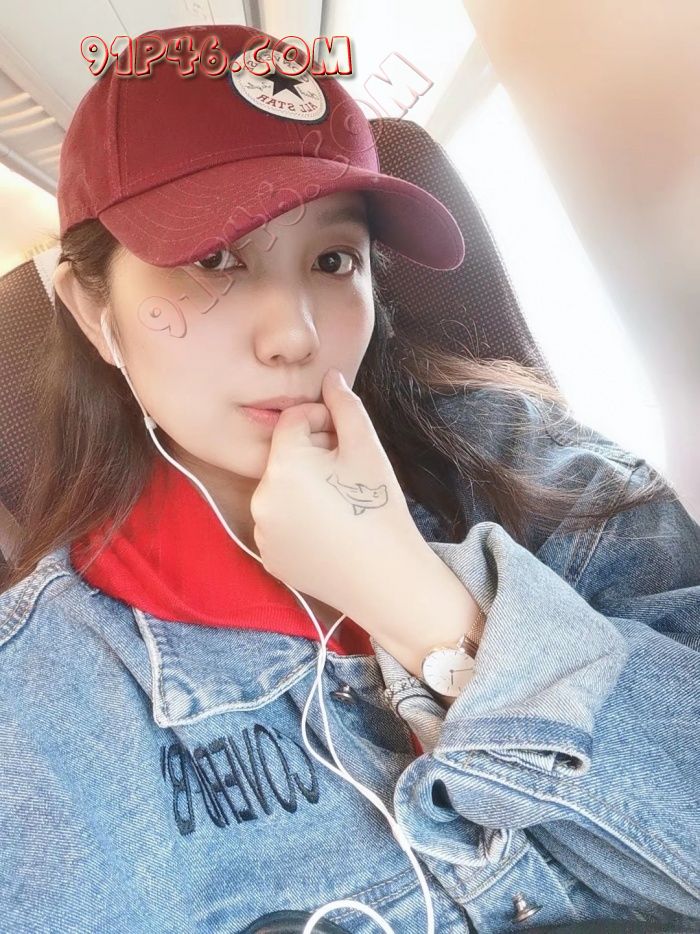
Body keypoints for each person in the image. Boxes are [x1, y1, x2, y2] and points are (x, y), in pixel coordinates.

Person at [0, 21, 698, 934]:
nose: (293, 336)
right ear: (95, 314)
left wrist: (424, 607)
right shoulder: (46, 702)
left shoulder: (538, 465)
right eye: (212, 260)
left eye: (334, 261)